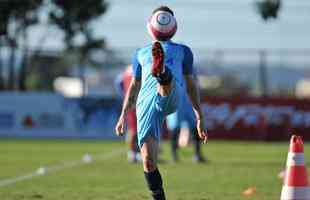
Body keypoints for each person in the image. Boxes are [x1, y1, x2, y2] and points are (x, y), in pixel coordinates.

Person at [115, 6, 208, 200]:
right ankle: (159, 197)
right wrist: (123, 113)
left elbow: (191, 85)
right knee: (148, 161)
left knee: (167, 85)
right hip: (146, 103)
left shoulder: (184, 51)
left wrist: (199, 115)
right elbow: (134, 86)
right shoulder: (140, 54)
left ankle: (163, 73)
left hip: (172, 97)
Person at [166, 89, 207, 163]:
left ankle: (197, 154)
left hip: (189, 101)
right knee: (174, 128)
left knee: (195, 127)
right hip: (176, 98)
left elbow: (193, 83)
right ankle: (174, 156)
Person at [115, 65, 140, 163]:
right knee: (133, 129)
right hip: (134, 103)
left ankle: (135, 152)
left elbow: (118, 83)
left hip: (132, 102)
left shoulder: (126, 71)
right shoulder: (135, 69)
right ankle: (132, 153)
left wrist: (123, 94)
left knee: (136, 129)